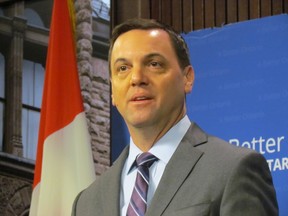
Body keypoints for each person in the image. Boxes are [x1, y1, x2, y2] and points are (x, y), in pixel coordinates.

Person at [72, 18, 278, 216]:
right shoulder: (87, 202)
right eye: (123, 68)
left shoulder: (234, 168)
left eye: (154, 64)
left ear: (187, 78)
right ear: (112, 92)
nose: (136, 78)